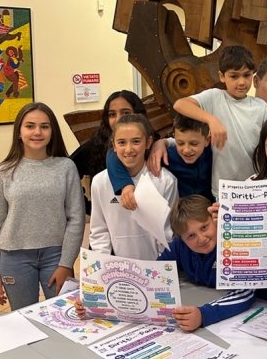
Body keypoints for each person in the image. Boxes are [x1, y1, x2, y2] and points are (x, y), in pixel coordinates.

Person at [77, 194, 254, 331]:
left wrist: (203, 315)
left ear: (215, 220)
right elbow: (151, 277)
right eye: (191, 236)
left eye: (204, 227)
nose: (201, 238)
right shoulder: (178, 247)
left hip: (252, 314)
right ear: (181, 238)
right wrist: (96, 301)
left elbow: (246, 292)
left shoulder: (235, 245)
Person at [0, 102, 85, 311]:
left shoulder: (65, 167)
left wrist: (66, 263)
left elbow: (76, 219)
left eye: (44, 126)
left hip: (56, 256)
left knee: (64, 315)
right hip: (14, 257)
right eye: (30, 126)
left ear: (52, 131)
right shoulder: (3, 172)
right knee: (24, 318)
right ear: (19, 132)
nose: (37, 132)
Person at [173, 45, 267, 197]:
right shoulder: (214, 97)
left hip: (255, 188)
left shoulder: (261, 107)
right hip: (223, 190)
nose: (241, 82)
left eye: (246, 75)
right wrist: (211, 120)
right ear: (222, 76)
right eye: (234, 76)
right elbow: (180, 104)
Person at [90, 114, 178, 260]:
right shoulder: (99, 182)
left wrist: (161, 265)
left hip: (156, 265)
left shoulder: (166, 181)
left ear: (148, 142)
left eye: (136, 141)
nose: (129, 149)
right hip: (116, 267)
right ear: (114, 145)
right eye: (121, 142)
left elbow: (168, 232)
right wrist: (104, 264)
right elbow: (99, 231)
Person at [70, 89, 152, 215]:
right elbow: (68, 171)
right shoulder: (95, 146)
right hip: (109, 221)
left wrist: (163, 144)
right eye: (112, 114)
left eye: (126, 113)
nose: (118, 119)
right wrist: (87, 206)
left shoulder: (152, 144)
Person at [110, 113, 213, 210]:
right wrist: (125, 184)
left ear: (207, 140)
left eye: (194, 144)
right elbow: (112, 155)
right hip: (179, 214)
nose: (186, 150)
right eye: (180, 143)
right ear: (174, 137)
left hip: (210, 211)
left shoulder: (214, 154)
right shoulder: (164, 155)